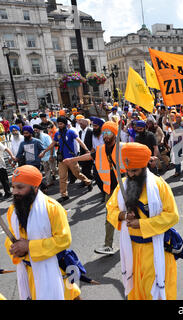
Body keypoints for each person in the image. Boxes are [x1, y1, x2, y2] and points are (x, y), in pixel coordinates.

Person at [106, 143, 180, 300]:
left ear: (144, 167)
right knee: (136, 293)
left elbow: (172, 216)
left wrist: (141, 224)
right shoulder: (121, 186)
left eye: (135, 171)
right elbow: (110, 209)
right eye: (128, 171)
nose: (131, 175)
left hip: (154, 249)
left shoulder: (159, 186)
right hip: (131, 249)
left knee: (153, 293)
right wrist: (122, 215)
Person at [3, 165, 81, 300]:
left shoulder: (52, 208)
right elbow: (11, 239)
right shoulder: (12, 211)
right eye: (13, 187)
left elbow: (63, 239)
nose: (15, 192)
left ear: (35, 187)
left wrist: (29, 246)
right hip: (28, 273)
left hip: (54, 270)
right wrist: (15, 249)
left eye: (20, 187)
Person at [64, 121, 126, 254]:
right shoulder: (101, 150)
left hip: (126, 189)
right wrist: (73, 160)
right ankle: (108, 245)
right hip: (110, 190)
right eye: (104, 133)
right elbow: (89, 156)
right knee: (110, 217)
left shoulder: (122, 147)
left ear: (115, 134)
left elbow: (137, 155)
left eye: (109, 133)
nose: (105, 135)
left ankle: (143, 238)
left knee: (134, 215)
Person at [39, 117, 92, 202]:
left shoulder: (71, 132)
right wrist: (44, 152)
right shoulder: (57, 134)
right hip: (62, 159)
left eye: (61, 124)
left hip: (71, 159)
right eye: (58, 123)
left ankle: (88, 182)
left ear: (65, 124)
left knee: (77, 174)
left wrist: (86, 150)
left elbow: (79, 141)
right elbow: (52, 144)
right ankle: (64, 195)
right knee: (62, 177)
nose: (59, 125)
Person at [33, 124, 55, 189]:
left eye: (36, 130)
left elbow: (51, 146)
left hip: (50, 156)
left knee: (54, 169)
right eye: (34, 130)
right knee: (46, 170)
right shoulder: (36, 138)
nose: (35, 131)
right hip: (43, 157)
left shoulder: (46, 136)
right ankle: (49, 182)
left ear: (39, 130)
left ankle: (63, 176)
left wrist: (51, 155)